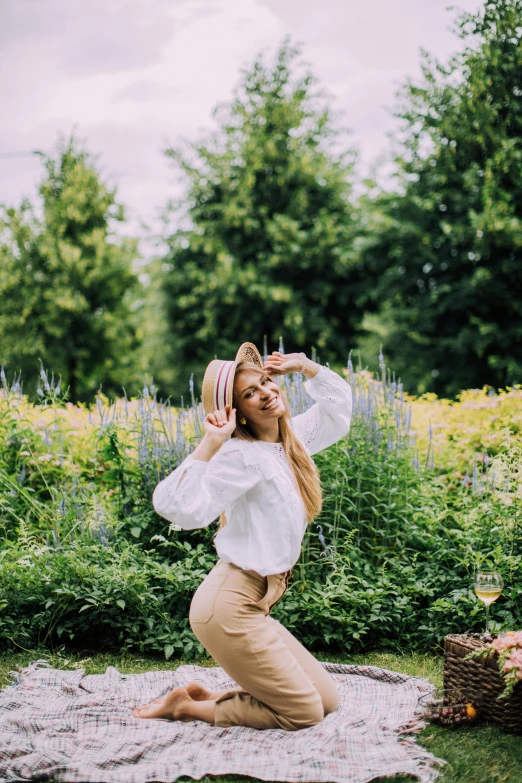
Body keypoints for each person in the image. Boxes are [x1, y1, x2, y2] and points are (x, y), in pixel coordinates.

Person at [133, 342, 352, 730]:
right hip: (228, 606)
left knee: (327, 700)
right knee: (305, 714)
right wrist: (211, 442)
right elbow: (178, 506)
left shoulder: (292, 440)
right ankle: (185, 708)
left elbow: (339, 411)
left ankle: (205, 696)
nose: (266, 393)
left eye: (266, 383)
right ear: (238, 412)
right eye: (250, 393)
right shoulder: (239, 456)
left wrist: (305, 367)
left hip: (257, 602)